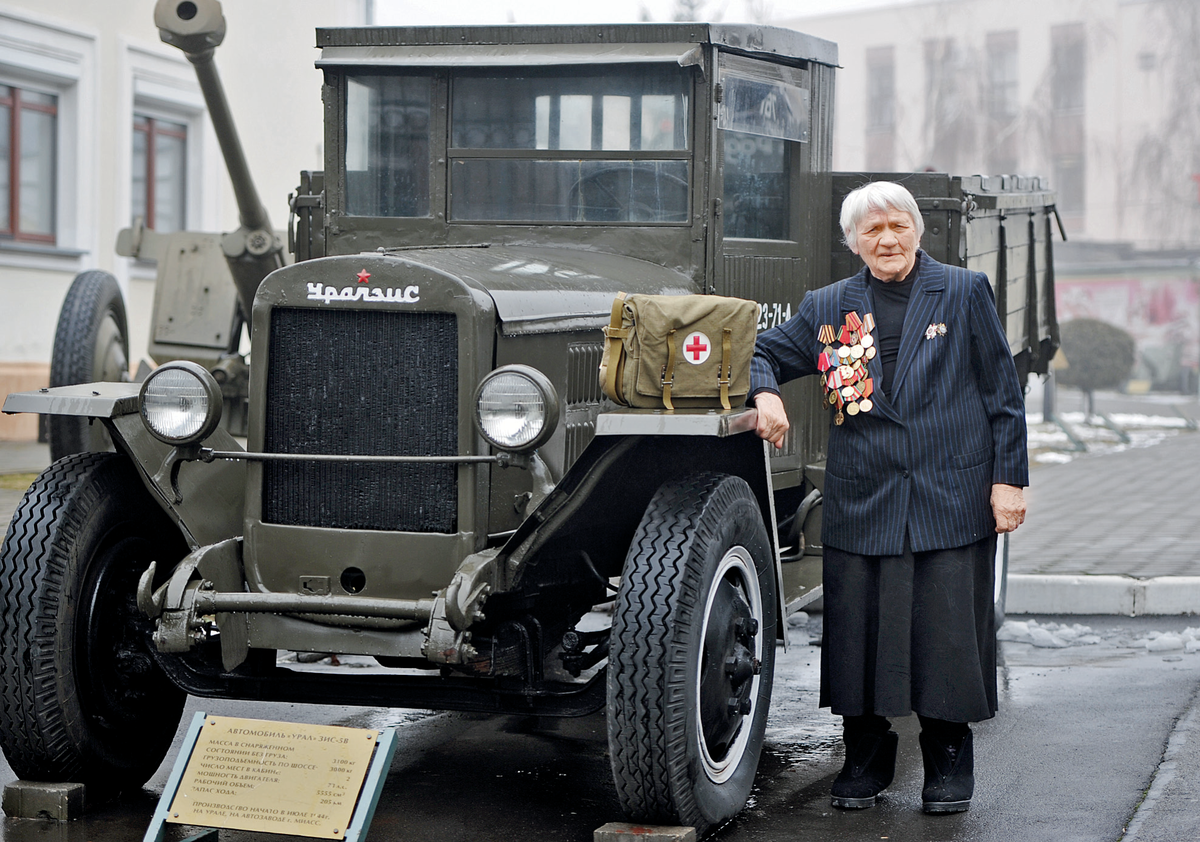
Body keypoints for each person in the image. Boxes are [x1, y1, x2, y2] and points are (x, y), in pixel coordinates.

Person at [750, 180, 1027, 814]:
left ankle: (947, 765)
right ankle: (865, 763)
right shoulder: (828, 304)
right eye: (871, 230)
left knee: (947, 634)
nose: (887, 239)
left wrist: (1010, 481)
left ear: (917, 230)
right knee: (860, 634)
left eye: (897, 225)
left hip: (951, 492)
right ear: (852, 242)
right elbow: (761, 351)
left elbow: (1001, 394)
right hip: (865, 496)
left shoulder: (962, 291)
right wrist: (765, 393)